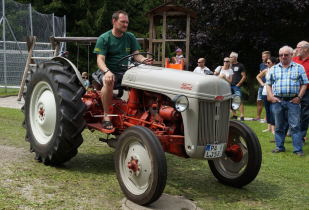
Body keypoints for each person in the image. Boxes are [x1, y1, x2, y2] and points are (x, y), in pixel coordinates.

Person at [93, 10, 152, 130]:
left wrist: (144, 60)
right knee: (109, 80)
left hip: (125, 72)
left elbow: (136, 55)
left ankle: (140, 114)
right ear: (114, 21)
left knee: (145, 80)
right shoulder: (104, 38)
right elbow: (100, 59)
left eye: (127, 22)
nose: (125, 25)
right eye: (122, 22)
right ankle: (106, 116)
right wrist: (107, 71)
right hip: (107, 71)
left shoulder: (130, 37)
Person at [266, 45, 308, 156]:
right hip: (277, 101)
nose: (283, 57)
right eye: (281, 55)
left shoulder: (299, 67)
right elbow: (268, 84)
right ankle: (279, 147)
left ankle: (298, 150)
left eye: (286, 54)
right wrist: (270, 96)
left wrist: (299, 97)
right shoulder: (273, 69)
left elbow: (305, 83)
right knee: (279, 125)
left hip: (293, 101)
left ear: (291, 55)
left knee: (295, 126)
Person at [293, 41, 309, 143]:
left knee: (305, 114)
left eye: (298, 47)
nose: (296, 49)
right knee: (289, 113)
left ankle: (301, 136)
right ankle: (282, 135)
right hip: (293, 91)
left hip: (307, 92)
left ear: (306, 49)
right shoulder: (293, 60)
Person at [256, 57, 277, 135]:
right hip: (265, 92)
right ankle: (269, 128)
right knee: (268, 110)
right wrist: (262, 84)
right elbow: (258, 76)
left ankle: (273, 129)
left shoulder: (277, 70)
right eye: (266, 63)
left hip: (274, 93)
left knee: (273, 110)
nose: (267, 64)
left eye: (269, 63)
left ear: (274, 63)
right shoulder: (266, 70)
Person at [230, 52, 247, 121]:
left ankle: (242, 115)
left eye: (231, 57)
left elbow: (244, 76)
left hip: (236, 86)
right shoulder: (229, 65)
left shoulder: (240, 65)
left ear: (235, 57)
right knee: (231, 100)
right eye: (230, 57)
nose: (230, 58)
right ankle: (234, 115)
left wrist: (239, 84)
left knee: (238, 100)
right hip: (229, 86)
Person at [254, 51, 271, 121]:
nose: (262, 58)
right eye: (262, 56)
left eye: (264, 56)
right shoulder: (261, 65)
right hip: (262, 86)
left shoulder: (271, 65)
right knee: (259, 101)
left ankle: (267, 117)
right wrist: (261, 83)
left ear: (268, 57)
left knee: (267, 102)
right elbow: (259, 75)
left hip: (269, 86)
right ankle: (258, 117)